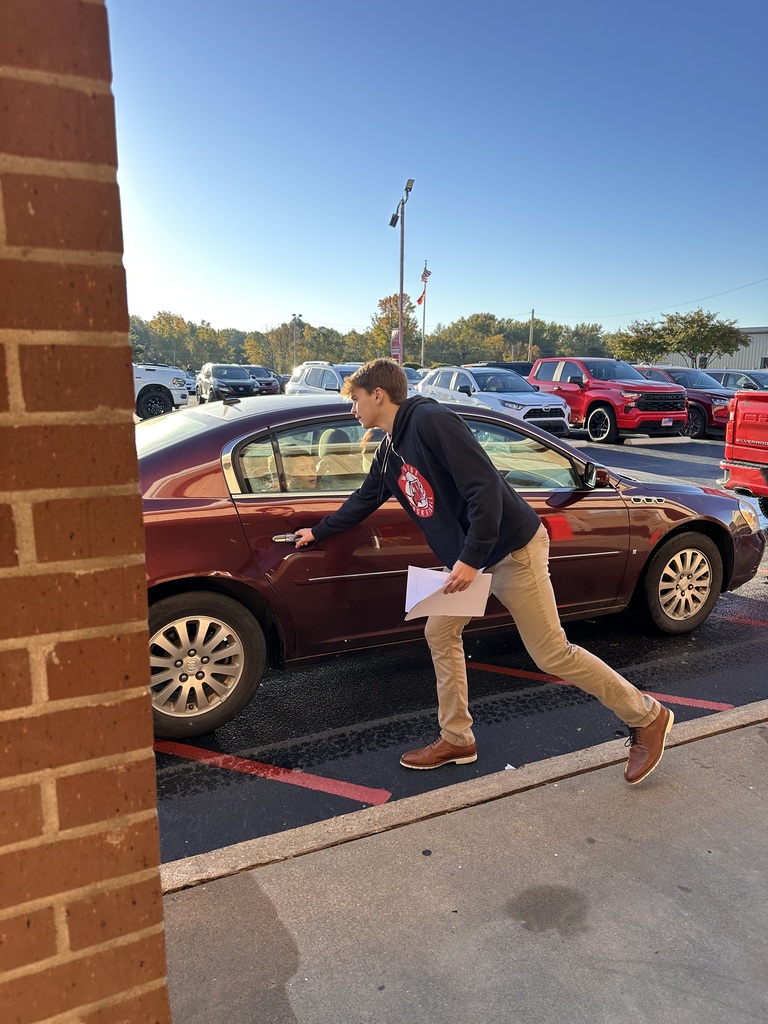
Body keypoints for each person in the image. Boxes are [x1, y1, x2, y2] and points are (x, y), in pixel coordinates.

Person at [294, 359, 673, 784]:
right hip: (470, 562)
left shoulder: (431, 420)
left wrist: (471, 559)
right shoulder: (390, 450)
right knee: (439, 631)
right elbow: (364, 500)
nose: (352, 410)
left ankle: (648, 715)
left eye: (356, 400)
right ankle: (457, 738)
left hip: (511, 551)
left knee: (552, 653)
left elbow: (484, 489)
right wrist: (317, 531)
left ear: (378, 395)